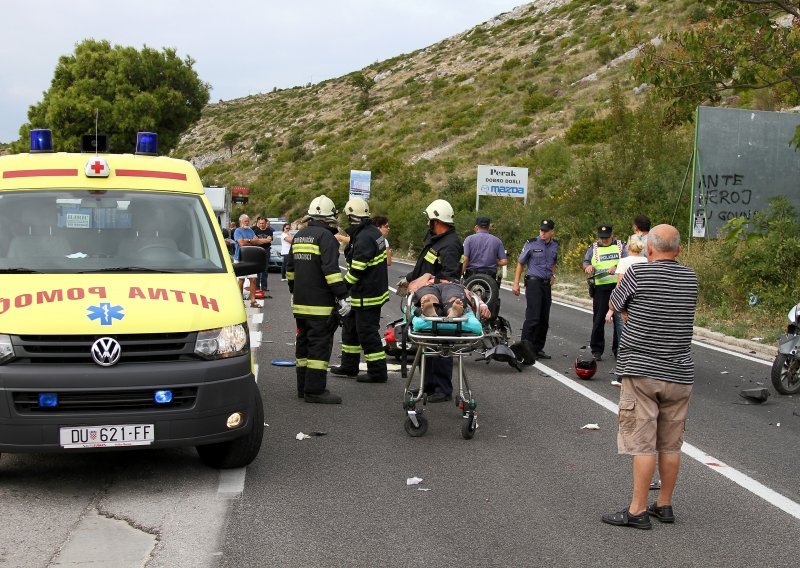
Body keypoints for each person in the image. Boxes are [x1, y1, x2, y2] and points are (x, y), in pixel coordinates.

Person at [601, 224, 697, 530]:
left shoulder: (637, 273)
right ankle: (664, 504)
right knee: (670, 444)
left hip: (641, 370)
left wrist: (632, 315)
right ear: (679, 250)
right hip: (680, 372)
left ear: (649, 249)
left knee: (642, 444)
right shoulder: (690, 278)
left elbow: (615, 304)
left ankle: (637, 510)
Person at [286, 195, 350, 404]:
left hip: (300, 303)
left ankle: (302, 388)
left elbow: (290, 269)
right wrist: (342, 296)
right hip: (320, 305)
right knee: (319, 346)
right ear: (329, 218)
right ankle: (315, 391)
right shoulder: (327, 238)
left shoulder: (299, 236)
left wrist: (295, 290)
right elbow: (331, 272)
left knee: (303, 344)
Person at [400, 198, 463, 403]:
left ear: (436, 220)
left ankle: (443, 389)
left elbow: (451, 277)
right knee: (426, 343)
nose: (427, 222)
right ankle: (428, 385)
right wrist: (411, 278)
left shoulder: (451, 245)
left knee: (441, 344)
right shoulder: (435, 240)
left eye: (429, 219)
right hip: (427, 292)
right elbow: (424, 267)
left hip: (442, 298)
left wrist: (426, 280)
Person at [330, 198, 390, 384]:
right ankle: (349, 365)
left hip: (367, 295)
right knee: (350, 330)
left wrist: (340, 290)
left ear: (353, 217)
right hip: (362, 294)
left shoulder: (364, 238)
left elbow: (356, 271)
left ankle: (377, 372)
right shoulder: (371, 232)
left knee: (367, 333)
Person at [512, 219, 558, 360]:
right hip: (533, 283)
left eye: (546, 231)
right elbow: (520, 263)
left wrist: (553, 274)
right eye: (541, 230)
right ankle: (524, 349)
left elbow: (554, 261)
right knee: (533, 317)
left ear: (552, 231)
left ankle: (537, 349)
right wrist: (516, 283)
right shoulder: (531, 243)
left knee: (544, 319)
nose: (543, 233)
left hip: (546, 284)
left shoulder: (555, 245)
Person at [605, 239, 647, 386]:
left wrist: (612, 308)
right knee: (640, 339)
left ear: (628, 247)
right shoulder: (646, 261)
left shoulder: (623, 261)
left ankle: (621, 377)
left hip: (626, 305)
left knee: (624, 340)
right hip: (641, 305)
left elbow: (620, 285)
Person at [583, 224, 627, 361]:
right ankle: (596, 350)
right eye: (602, 238)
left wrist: (617, 266)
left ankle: (618, 350)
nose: (604, 240)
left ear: (612, 235)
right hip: (601, 288)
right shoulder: (594, 247)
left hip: (618, 286)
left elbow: (627, 261)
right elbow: (585, 262)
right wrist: (588, 267)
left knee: (619, 321)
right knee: (598, 319)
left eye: (607, 238)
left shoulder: (621, 246)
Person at [233, 214, 262, 308]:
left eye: (248, 221)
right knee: (241, 280)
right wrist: (251, 240)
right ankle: (239, 300)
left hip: (251, 258)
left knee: (253, 279)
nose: (247, 222)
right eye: (245, 221)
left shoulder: (250, 230)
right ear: (241, 221)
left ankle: (253, 301)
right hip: (240, 258)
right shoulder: (237, 231)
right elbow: (241, 243)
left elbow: (257, 241)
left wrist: (247, 240)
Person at [253, 217, 274, 295]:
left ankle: (264, 287)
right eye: (260, 223)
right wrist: (264, 240)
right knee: (257, 269)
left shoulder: (269, 231)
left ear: (265, 223)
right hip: (257, 251)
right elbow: (255, 242)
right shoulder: (255, 231)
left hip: (266, 250)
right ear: (258, 223)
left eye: (263, 223)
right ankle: (257, 287)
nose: (261, 225)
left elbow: (269, 240)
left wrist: (259, 241)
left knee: (265, 269)